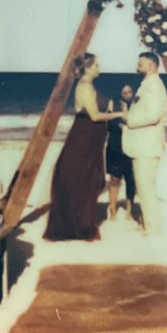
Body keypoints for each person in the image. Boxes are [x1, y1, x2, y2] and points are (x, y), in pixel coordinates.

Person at [44, 54, 122, 242]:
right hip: (84, 137)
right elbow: (94, 116)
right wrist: (120, 114)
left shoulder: (88, 86)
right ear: (86, 68)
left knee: (87, 179)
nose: (99, 68)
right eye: (96, 65)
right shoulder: (85, 87)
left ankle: (79, 222)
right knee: (82, 179)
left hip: (91, 139)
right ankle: (78, 225)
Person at [122, 52, 167, 236]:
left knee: (146, 188)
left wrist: (129, 119)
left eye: (141, 63)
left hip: (147, 146)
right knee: (144, 187)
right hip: (144, 145)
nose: (137, 66)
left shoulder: (154, 86)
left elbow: (153, 115)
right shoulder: (147, 84)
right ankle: (147, 225)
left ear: (151, 65)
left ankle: (152, 230)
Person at [106, 84, 137, 220]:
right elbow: (109, 125)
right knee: (114, 179)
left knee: (131, 180)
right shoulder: (113, 104)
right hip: (115, 147)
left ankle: (129, 210)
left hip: (131, 148)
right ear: (120, 94)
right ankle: (112, 209)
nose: (127, 95)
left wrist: (126, 120)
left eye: (129, 92)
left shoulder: (136, 106)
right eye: (124, 92)